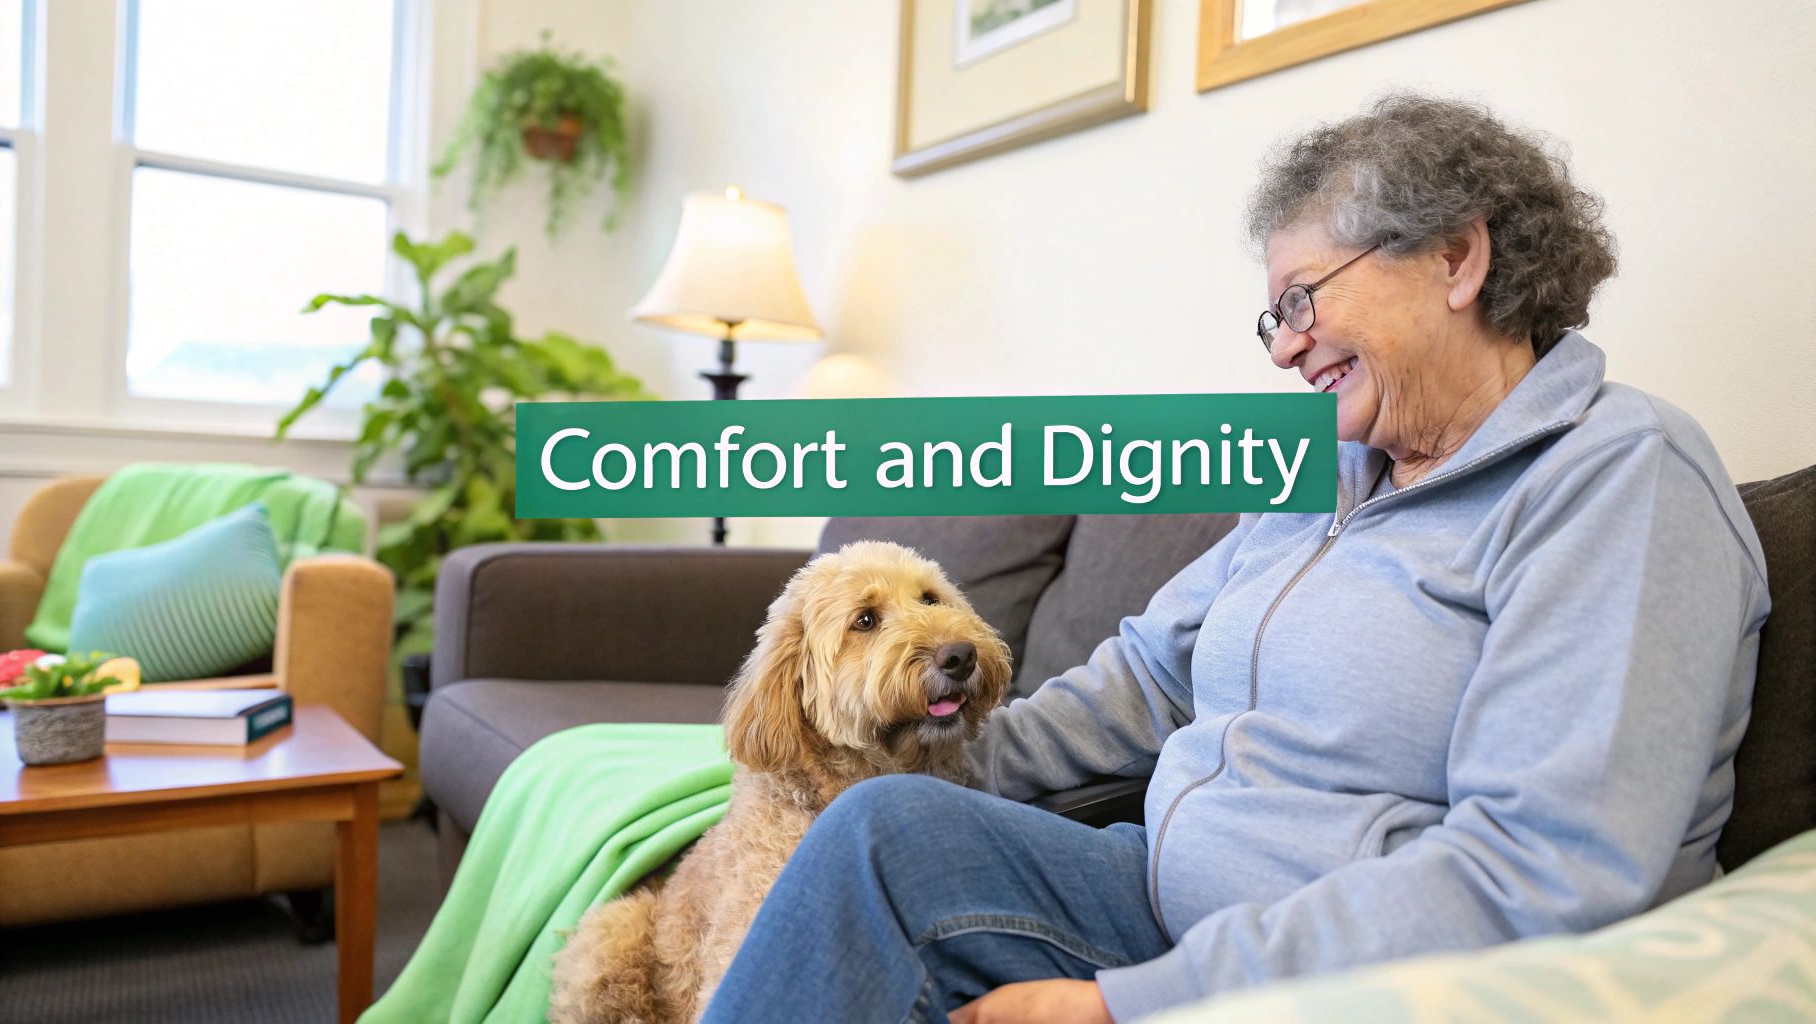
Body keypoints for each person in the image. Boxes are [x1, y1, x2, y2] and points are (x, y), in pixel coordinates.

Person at [698, 92, 1771, 1024]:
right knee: (885, 827)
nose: (1286, 346)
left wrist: (1135, 1001)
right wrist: (903, 761)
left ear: (1455, 258)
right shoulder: (1325, 478)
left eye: (1302, 299)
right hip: (1158, 887)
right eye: (1274, 317)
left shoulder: (1616, 477)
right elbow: (1150, 673)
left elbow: (1540, 867)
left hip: (1330, 965)